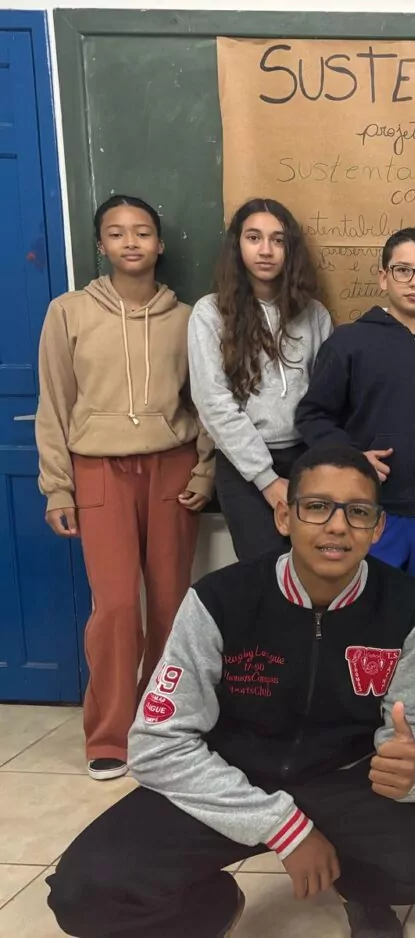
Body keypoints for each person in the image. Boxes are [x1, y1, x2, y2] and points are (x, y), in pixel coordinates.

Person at [46, 443, 415, 938]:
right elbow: (156, 744)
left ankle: (365, 893)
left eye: (359, 512)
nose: (338, 526)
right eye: (318, 507)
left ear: (377, 527)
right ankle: (211, 905)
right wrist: (283, 826)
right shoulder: (219, 600)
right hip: (230, 782)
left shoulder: (408, 606)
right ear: (285, 516)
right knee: (83, 891)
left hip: (344, 782)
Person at [35, 194, 214, 782]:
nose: (131, 243)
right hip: (98, 470)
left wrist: (205, 468)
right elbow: (55, 403)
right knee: (114, 607)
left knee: (169, 604)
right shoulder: (68, 313)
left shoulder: (187, 318)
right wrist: (57, 487)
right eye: (117, 234)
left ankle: (157, 723)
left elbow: (207, 402)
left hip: (172, 467)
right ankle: (110, 733)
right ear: (101, 245)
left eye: (142, 233)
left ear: (160, 244)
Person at [296, 228, 415, 610]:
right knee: (363, 616)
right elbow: (312, 415)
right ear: (382, 277)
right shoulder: (349, 342)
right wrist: (354, 457)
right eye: (403, 270)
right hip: (373, 515)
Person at [189, 198, 333, 562]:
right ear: (237, 246)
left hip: (307, 458)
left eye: (278, 240)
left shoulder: (314, 314)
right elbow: (214, 404)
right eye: (254, 238)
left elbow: (328, 396)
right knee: (264, 574)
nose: (266, 250)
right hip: (244, 467)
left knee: (314, 569)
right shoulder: (210, 313)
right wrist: (267, 481)